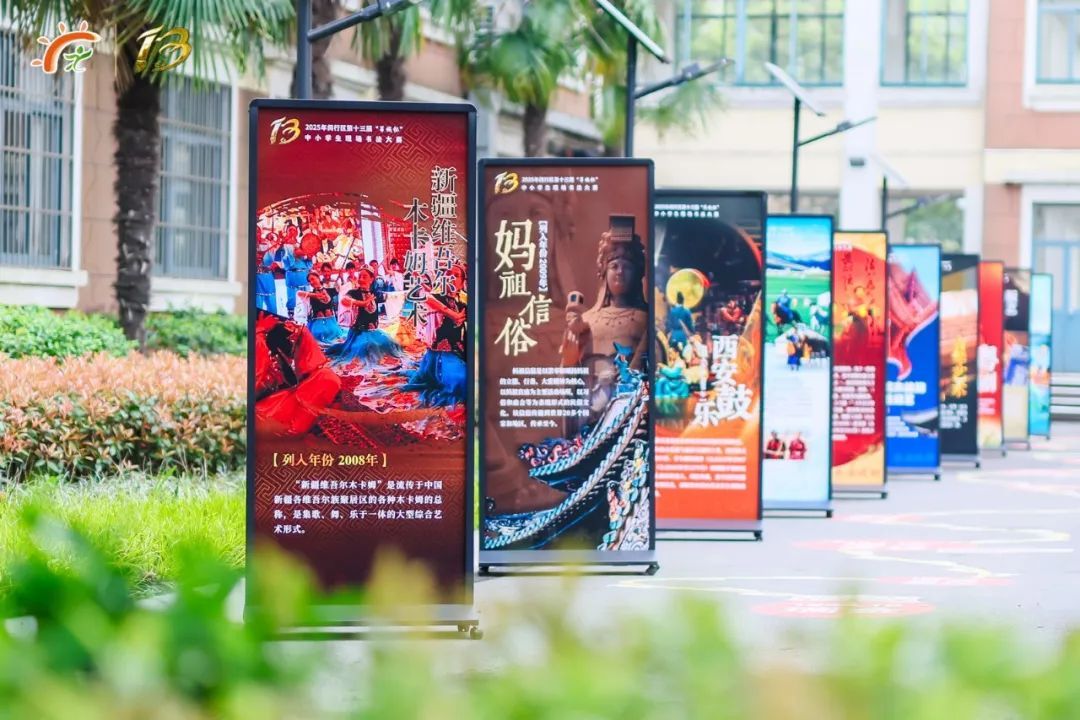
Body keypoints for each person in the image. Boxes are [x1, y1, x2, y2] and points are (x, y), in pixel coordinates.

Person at [561, 215, 649, 426]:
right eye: (614, 266)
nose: (620, 272)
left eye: (627, 267)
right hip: (589, 413)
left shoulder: (645, 320)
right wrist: (570, 359)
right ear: (604, 271)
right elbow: (570, 376)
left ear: (637, 274)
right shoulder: (587, 321)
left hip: (627, 415)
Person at [254, 311, 341, 436]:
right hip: (260, 408)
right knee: (326, 380)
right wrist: (259, 332)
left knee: (326, 377)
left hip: (272, 396)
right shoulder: (257, 342)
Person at [404, 263, 468, 405]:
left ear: (462, 283)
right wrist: (452, 314)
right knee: (462, 380)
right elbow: (426, 298)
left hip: (458, 351)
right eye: (448, 274)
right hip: (440, 356)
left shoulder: (463, 302)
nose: (451, 278)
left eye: (456, 275)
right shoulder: (436, 297)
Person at [327, 267, 402, 368]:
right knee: (367, 347)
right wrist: (362, 303)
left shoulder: (374, 293)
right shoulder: (354, 293)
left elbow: (391, 297)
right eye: (360, 276)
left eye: (364, 277)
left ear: (371, 279)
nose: (361, 279)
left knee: (392, 344)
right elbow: (344, 301)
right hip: (359, 332)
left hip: (374, 331)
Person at [297, 271, 347, 344]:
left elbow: (342, 289)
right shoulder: (310, 294)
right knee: (319, 335)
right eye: (309, 281)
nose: (311, 282)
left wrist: (341, 278)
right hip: (318, 327)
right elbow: (298, 293)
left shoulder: (329, 290)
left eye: (313, 279)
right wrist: (315, 295)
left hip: (332, 325)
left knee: (336, 334)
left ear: (318, 278)